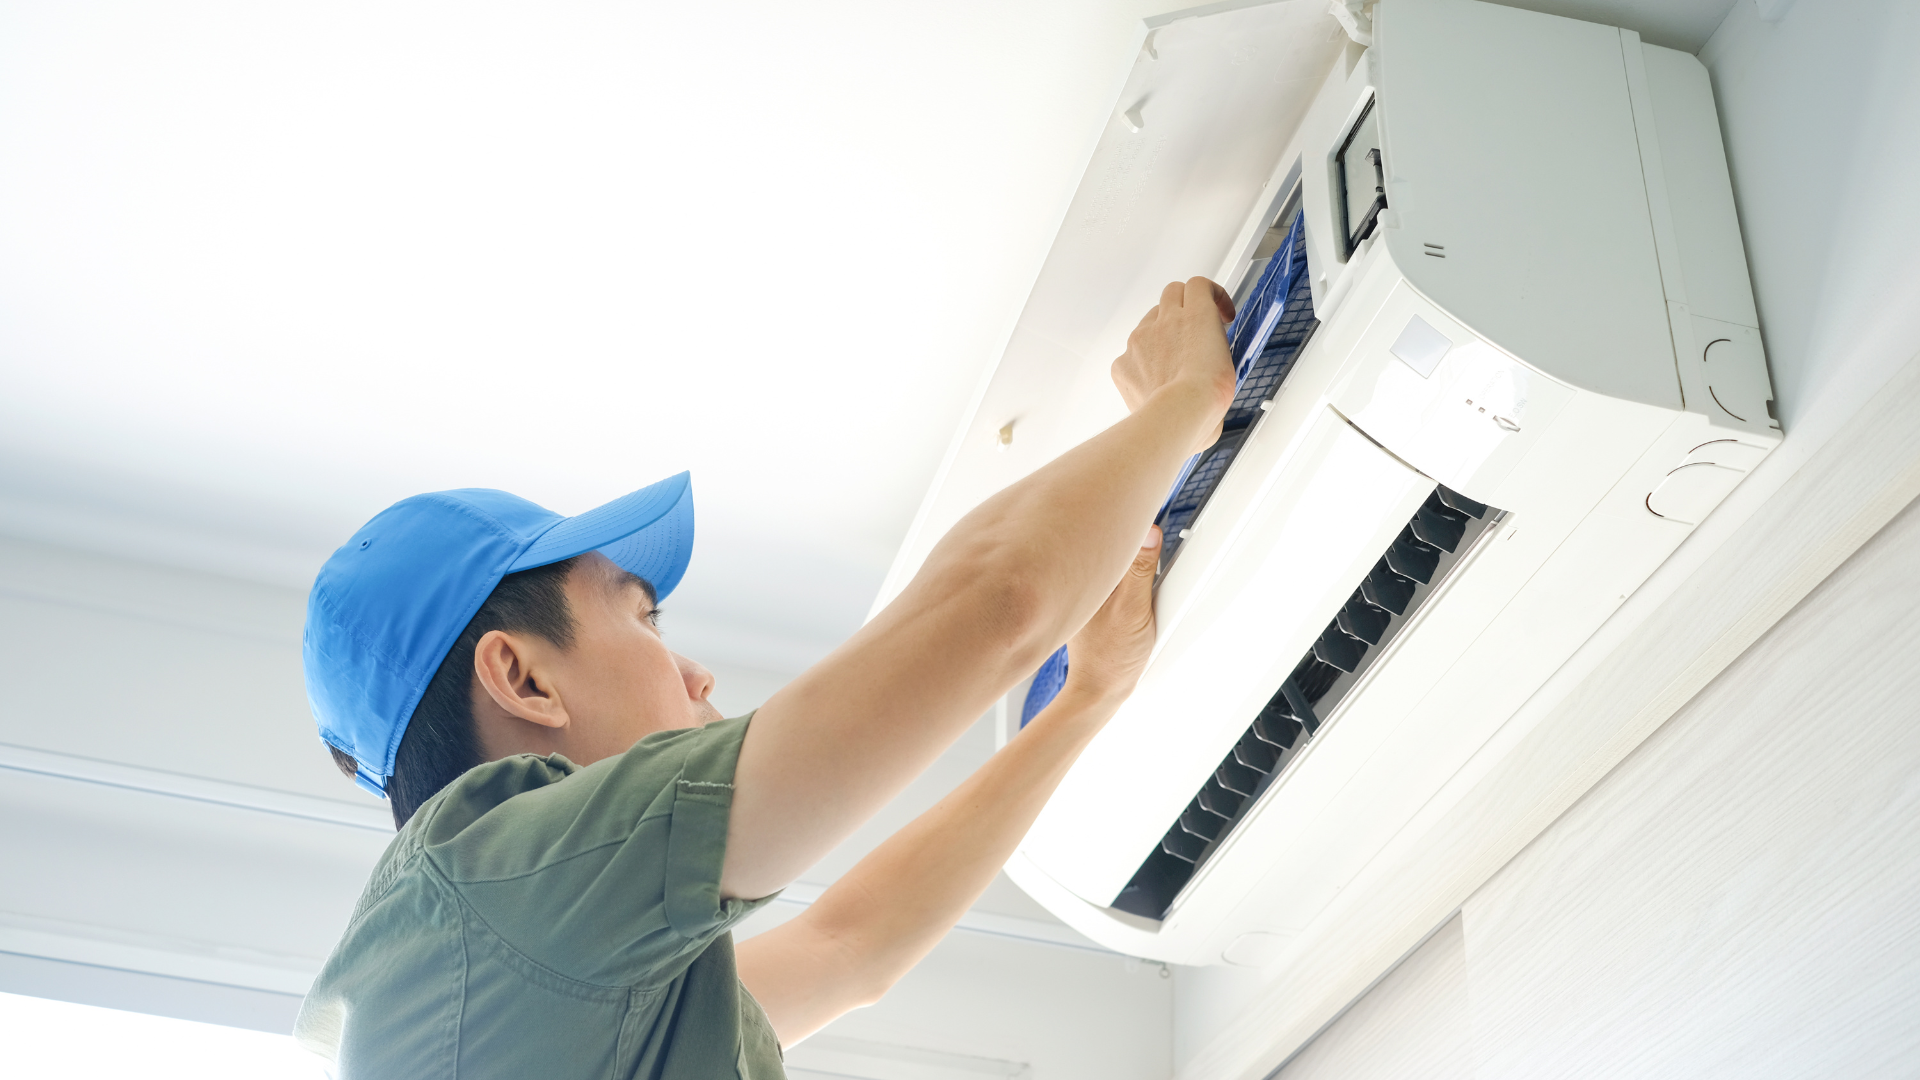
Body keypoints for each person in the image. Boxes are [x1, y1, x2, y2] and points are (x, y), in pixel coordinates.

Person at [293, 278, 1237, 1077]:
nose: (694, 672)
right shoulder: (495, 890)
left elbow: (850, 948)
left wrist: (1086, 698)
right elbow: (993, 608)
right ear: (522, 677)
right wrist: (1183, 402)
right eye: (643, 616)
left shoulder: (526, 972)